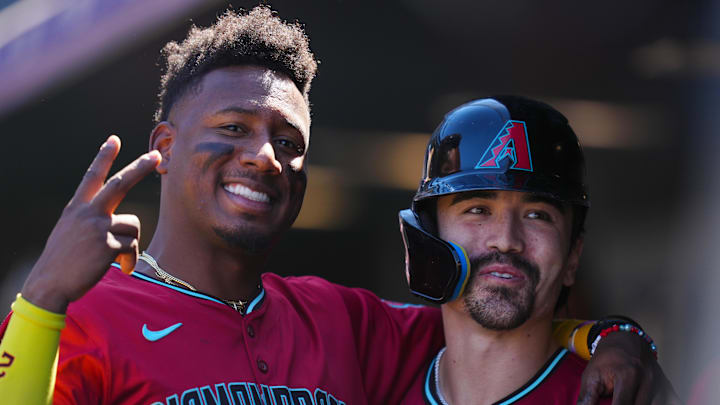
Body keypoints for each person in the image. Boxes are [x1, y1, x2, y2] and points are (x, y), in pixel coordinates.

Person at [0, 7, 671, 405]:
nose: (264, 155)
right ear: (166, 146)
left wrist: (616, 337)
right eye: (234, 127)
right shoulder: (85, 318)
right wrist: (42, 298)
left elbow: (498, 309)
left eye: (288, 141)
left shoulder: (342, 320)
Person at [398, 96, 680, 404]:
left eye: (538, 216)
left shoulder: (614, 398)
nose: (506, 240)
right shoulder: (378, 366)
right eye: (478, 210)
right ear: (428, 235)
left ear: (573, 256)